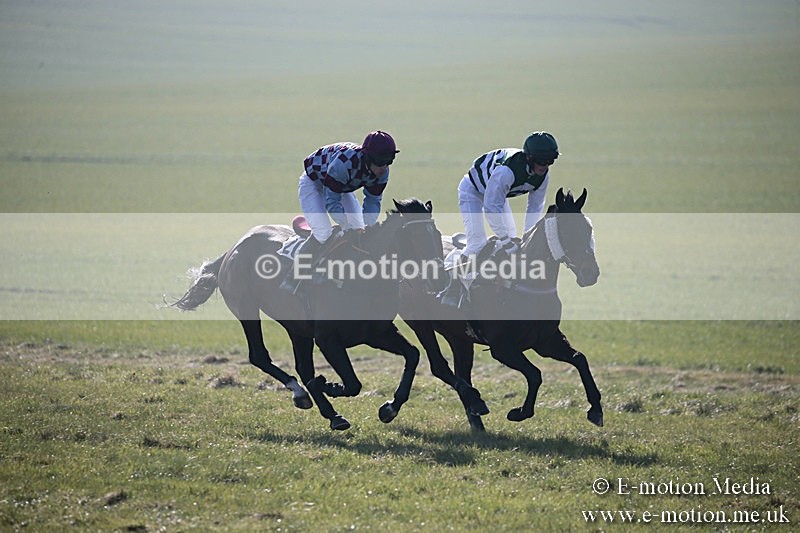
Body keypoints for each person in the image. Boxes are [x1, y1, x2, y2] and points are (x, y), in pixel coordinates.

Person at [281, 131, 399, 293]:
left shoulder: (382, 172)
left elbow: (372, 201)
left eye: (389, 161)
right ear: (368, 157)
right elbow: (332, 201)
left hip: (341, 187)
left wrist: (368, 227)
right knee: (323, 233)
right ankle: (293, 276)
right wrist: (345, 226)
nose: (384, 167)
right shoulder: (343, 165)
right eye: (380, 161)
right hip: (314, 184)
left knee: (360, 229)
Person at [457, 131, 559, 258]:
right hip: (472, 190)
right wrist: (505, 242)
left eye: (550, 161)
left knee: (511, 236)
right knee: (477, 244)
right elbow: (491, 208)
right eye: (541, 160)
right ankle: (453, 274)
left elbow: (535, 206)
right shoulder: (506, 172)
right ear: (529, 158)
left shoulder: (543, 176)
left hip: (497, 193)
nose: (544, 166)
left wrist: (529, 236)